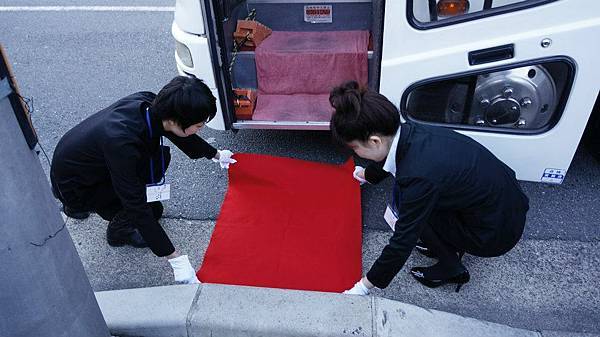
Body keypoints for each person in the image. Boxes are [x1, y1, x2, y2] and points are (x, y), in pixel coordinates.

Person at [330, 81, 530, 295]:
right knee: (416, 205)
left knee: (414, 215)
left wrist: (363, 286)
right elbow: (391, 156)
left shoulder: (418, 177)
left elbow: (402, 242)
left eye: (355, 148)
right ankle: (445, 243)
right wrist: (366, 175)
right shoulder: (411, 131)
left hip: (495, 233)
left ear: (374, 141)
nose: (355, 154)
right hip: (502, 203)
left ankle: (451, 267)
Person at [50, 76, 236, 284]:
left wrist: (216, 154)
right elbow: (135, 203)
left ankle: (75, 204)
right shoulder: (122, 143)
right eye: (199, 125)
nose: (200, 129)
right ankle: (117, 231)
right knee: (148, 210)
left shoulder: (152, 104)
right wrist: (173, 257)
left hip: (85, 165)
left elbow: (178, 134)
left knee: (154, 196)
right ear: (175, 120)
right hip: (78, 185)